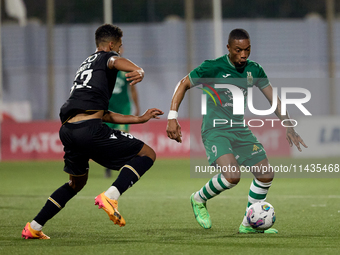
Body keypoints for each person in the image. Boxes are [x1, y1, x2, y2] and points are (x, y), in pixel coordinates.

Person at [21, 24, 163, 239]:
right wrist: (139, 70)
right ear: (111, 45)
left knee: (76, 183)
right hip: (89, 130)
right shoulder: (107, 58)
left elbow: (103, 114)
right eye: (120, 46)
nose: (120, 50)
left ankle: (34, 226)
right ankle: (110, 196)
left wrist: (139, 118)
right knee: (147, 154)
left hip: (69, 129)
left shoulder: (86, 66)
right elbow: (114, 60)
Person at [166, 28, 307, 234]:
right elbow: (183, 83)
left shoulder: (254, 70)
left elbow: (272, 98)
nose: (243, 55)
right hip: (215, 130)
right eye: (238, 50)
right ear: (229, 48)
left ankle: (248, 223)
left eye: (247, 50)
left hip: (239, 129)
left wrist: (288, 124)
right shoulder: (212, 67)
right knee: (232, 176)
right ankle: (198, 199)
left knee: (265, 173)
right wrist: (172, 117)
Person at [104, 46, 140, 178]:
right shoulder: (105, 69)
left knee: (122, 138)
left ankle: (124, 165)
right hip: (108, 109)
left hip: (124, 108)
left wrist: (136, 106)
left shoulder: (126, 69)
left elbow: (133, 90)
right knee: (107, 139)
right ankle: (108, 166)